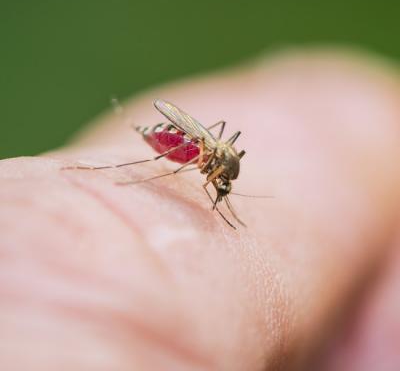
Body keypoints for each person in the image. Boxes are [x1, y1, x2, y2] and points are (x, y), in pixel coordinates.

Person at [1, 50, 400, 370]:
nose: (219, 188)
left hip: (201, 149)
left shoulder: (223, 168)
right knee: (196, 151)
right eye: (222, 184)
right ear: (224, 174)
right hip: (185, 143)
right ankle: (128, 171)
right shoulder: (214, 160)